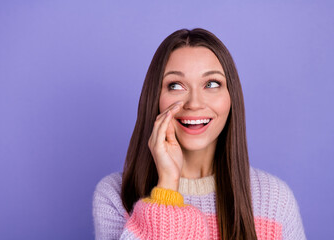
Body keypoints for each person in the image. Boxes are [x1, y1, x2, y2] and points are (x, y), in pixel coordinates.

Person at [92, 28, 306, 240]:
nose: (194, 104)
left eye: (211, 84)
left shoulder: (274, 200)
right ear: (154, 98)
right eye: (175, 85)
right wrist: (167, 188)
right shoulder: (115, 196)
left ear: (231, 98)